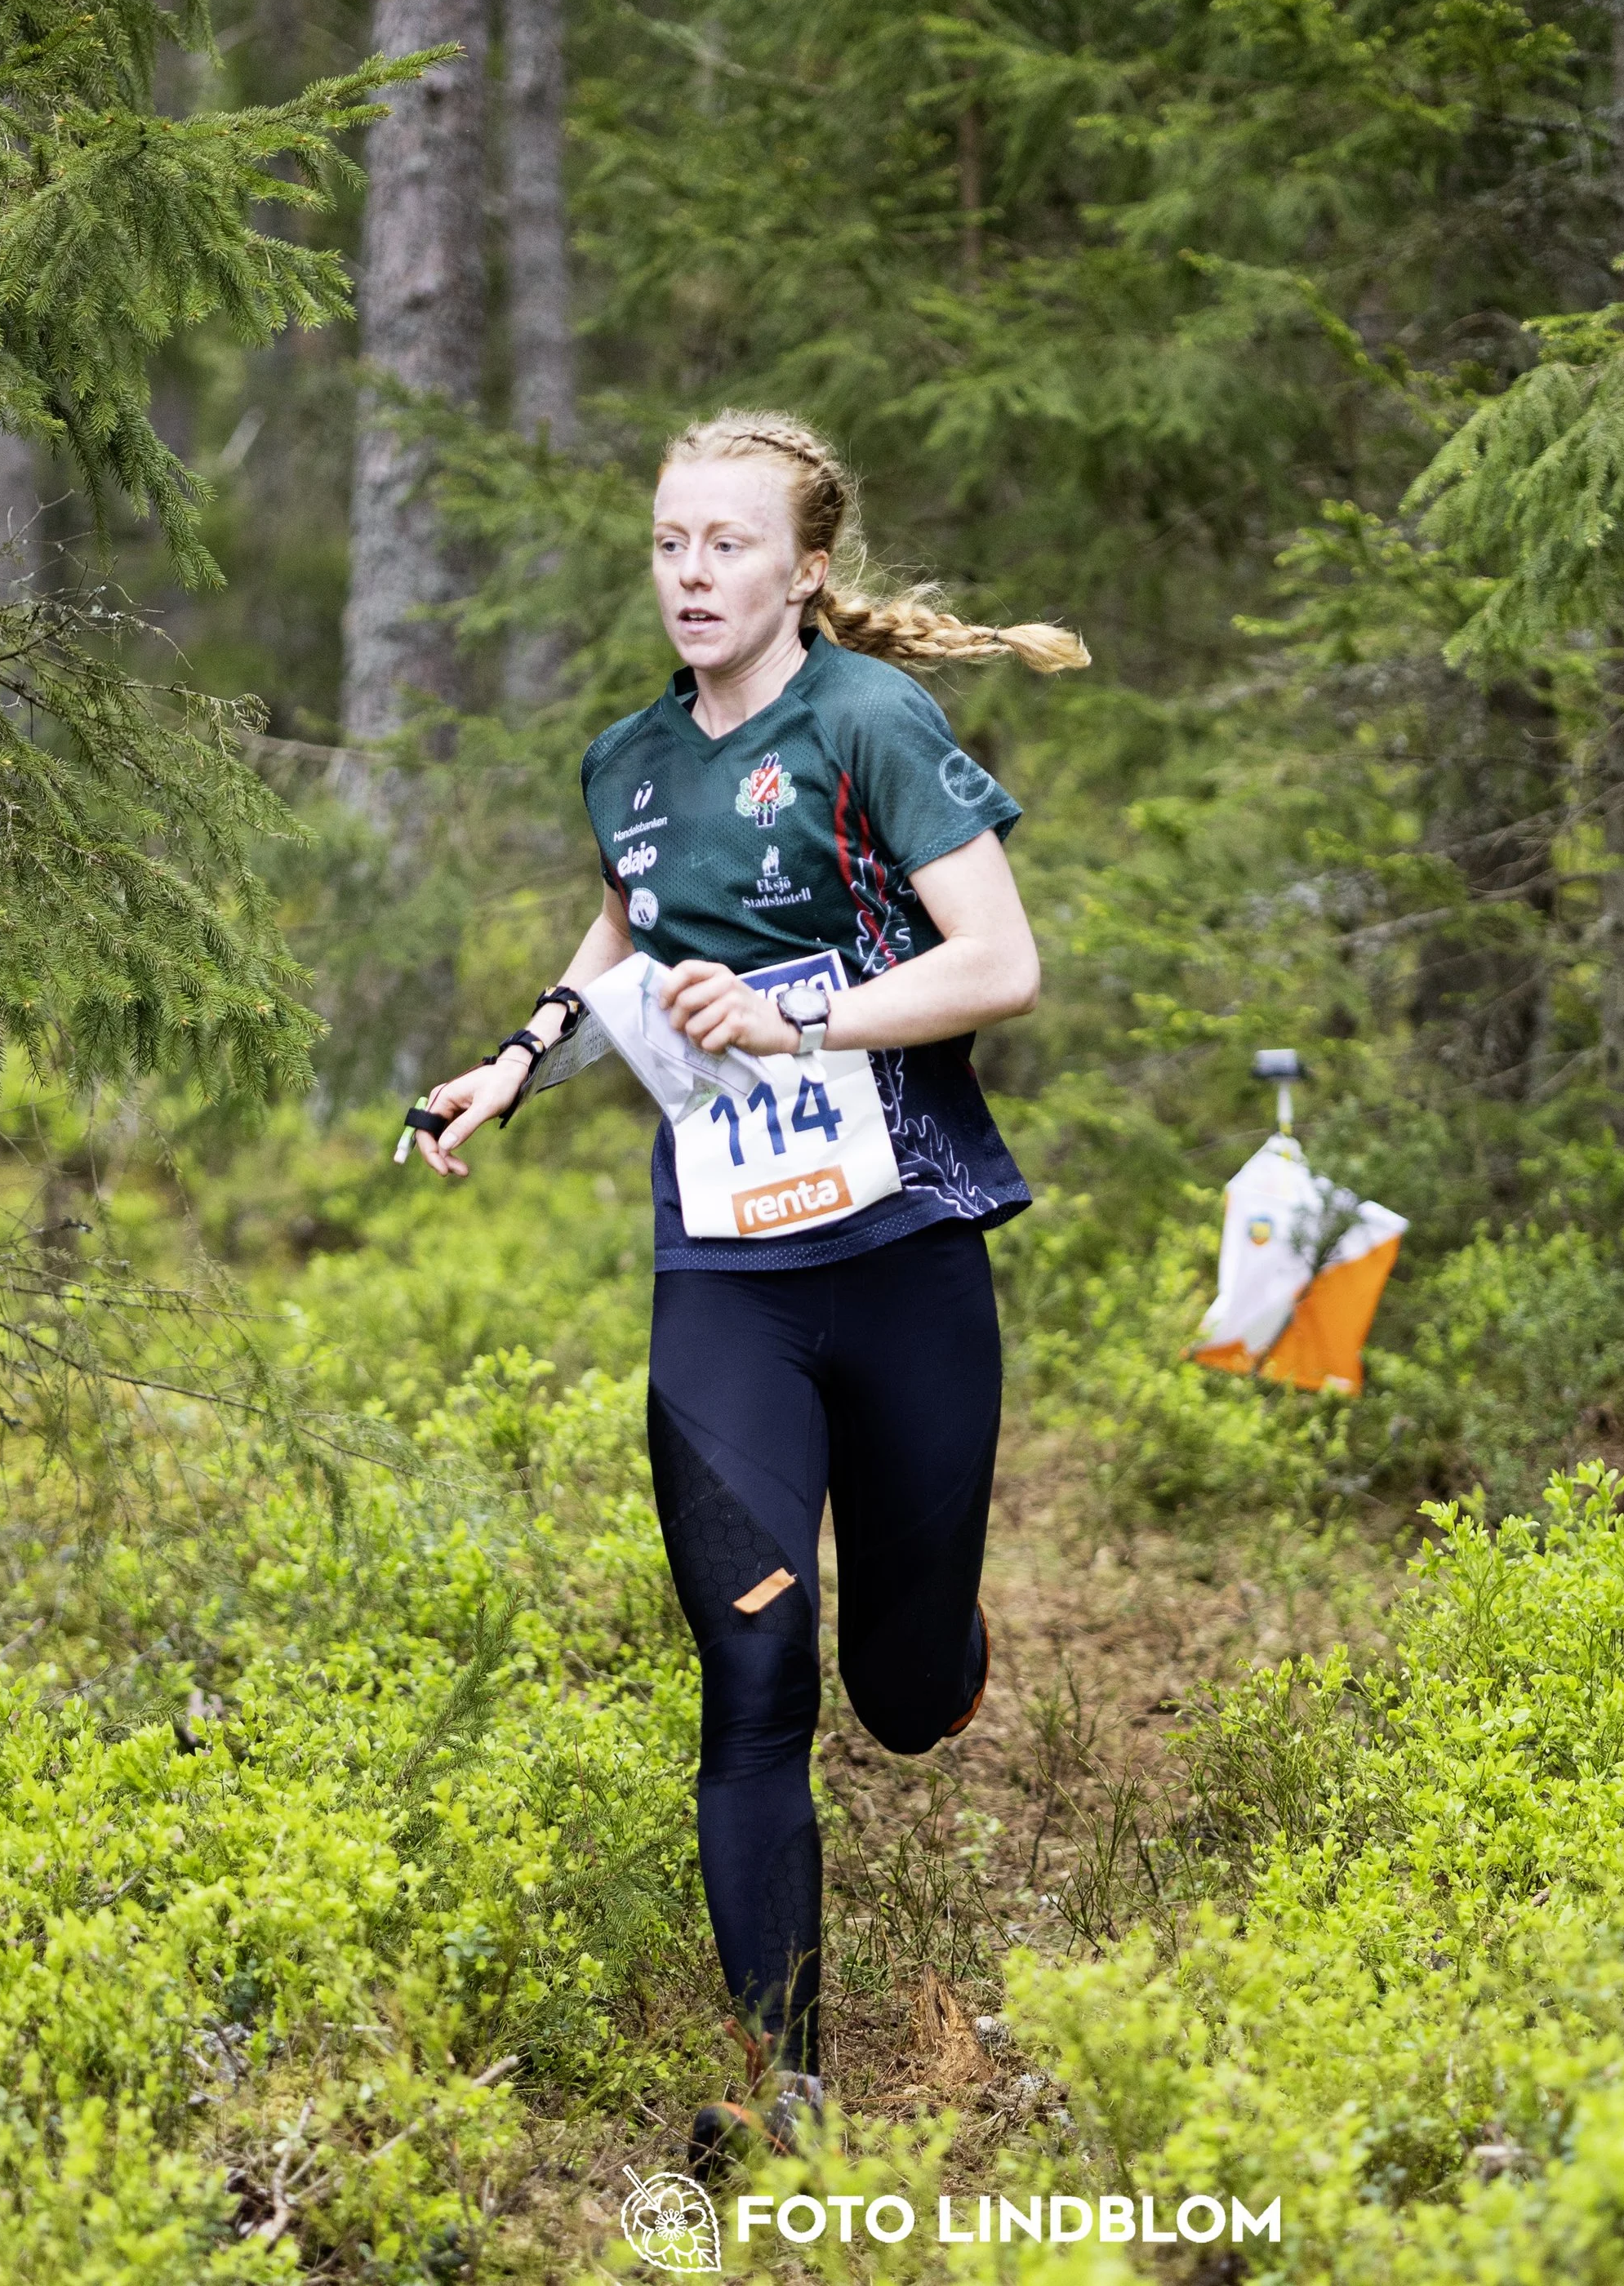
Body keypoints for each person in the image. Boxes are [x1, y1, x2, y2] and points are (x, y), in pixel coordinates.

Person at [408, 410, 1087, 2168]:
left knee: (899, 1695)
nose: (690, 573)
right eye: (667, 544)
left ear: (803, 569)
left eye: (725, 544)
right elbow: (625, 940)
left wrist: (793, 1009)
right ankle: (780, 2075)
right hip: (726, 1271)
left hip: (904, 1249)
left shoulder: (865, 720)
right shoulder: (629, 759)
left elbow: (997, 963)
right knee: (753, 1663)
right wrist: (511, 1061)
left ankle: (937, 1654)